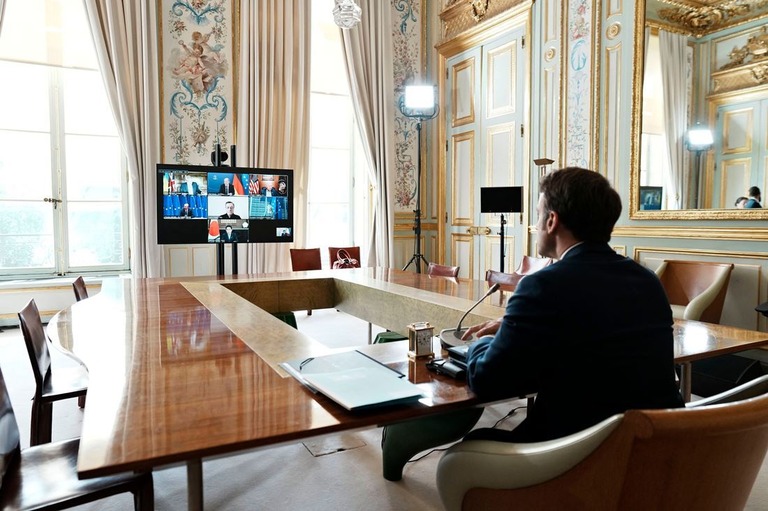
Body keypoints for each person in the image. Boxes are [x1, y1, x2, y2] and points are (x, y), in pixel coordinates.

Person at [461, 167, 683, 443]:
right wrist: (511, 328)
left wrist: (476, 346)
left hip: (578, 452)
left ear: (552, 220)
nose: (536, 224)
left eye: (538, 215)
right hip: (654, 443)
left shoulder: (542, 286)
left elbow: (487, 381)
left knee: (468, 449)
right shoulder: (647, 281)